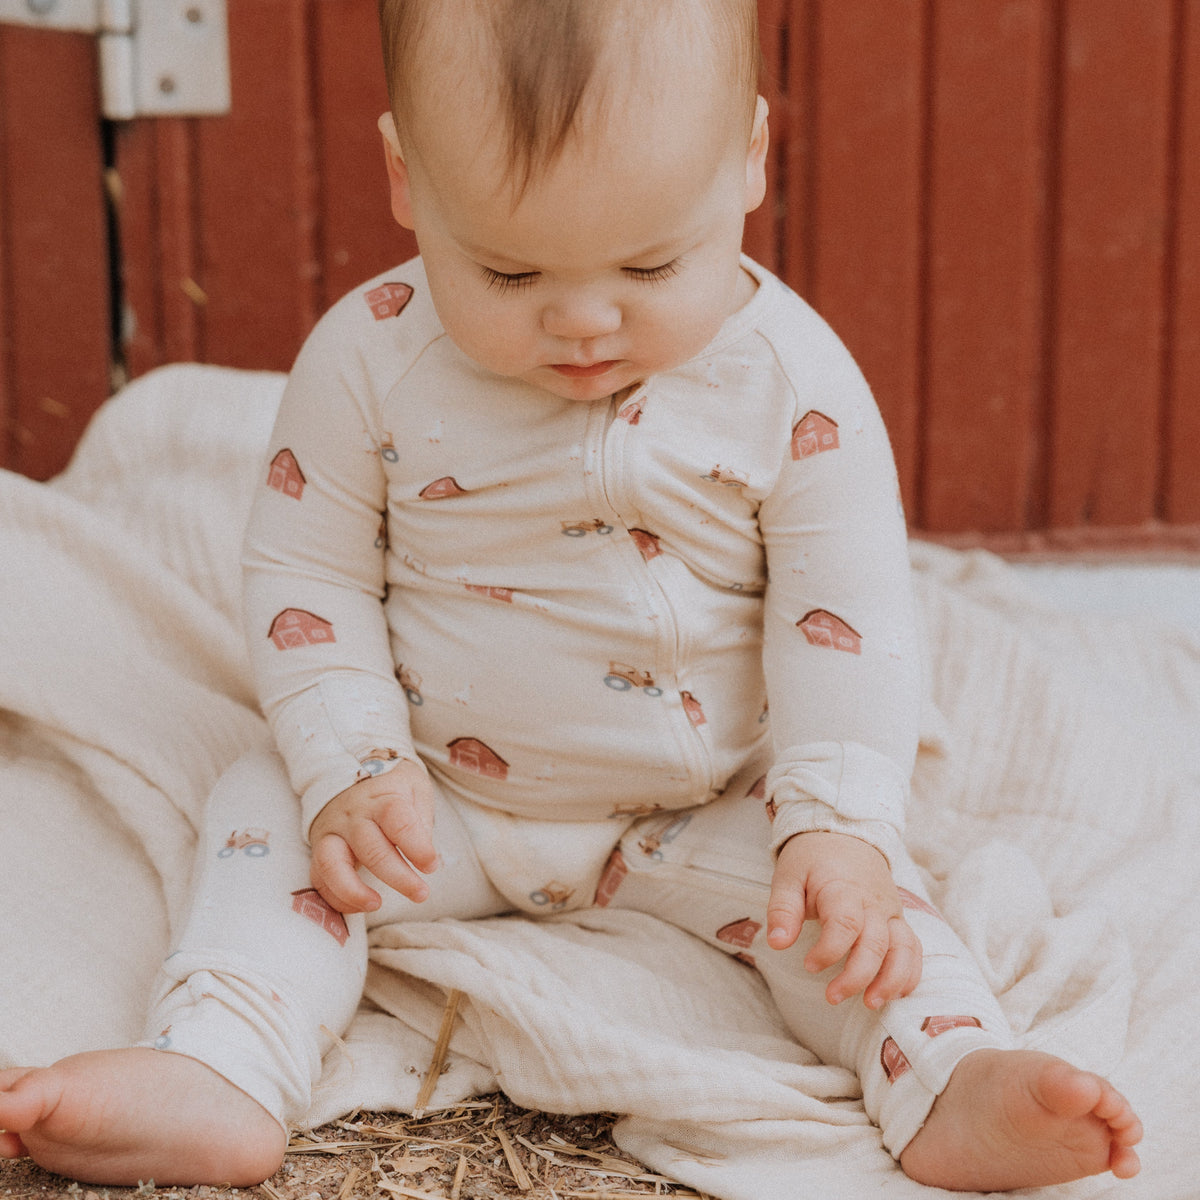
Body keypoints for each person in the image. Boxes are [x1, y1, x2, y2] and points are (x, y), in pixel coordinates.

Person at [0, 0, 1142, 1189]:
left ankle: (948, 1073)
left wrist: (834, 825)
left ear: (749, 160)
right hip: (440, 798)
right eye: (508, 268)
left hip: (705, 809)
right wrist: (355, 762)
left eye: (651, 264)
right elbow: (306, 572)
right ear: (406, 177)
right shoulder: (366, 361)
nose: (587, 320)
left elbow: (847, 626)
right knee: (265, 805)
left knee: (863, 918)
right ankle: (222, 1060)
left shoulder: (794, 384)